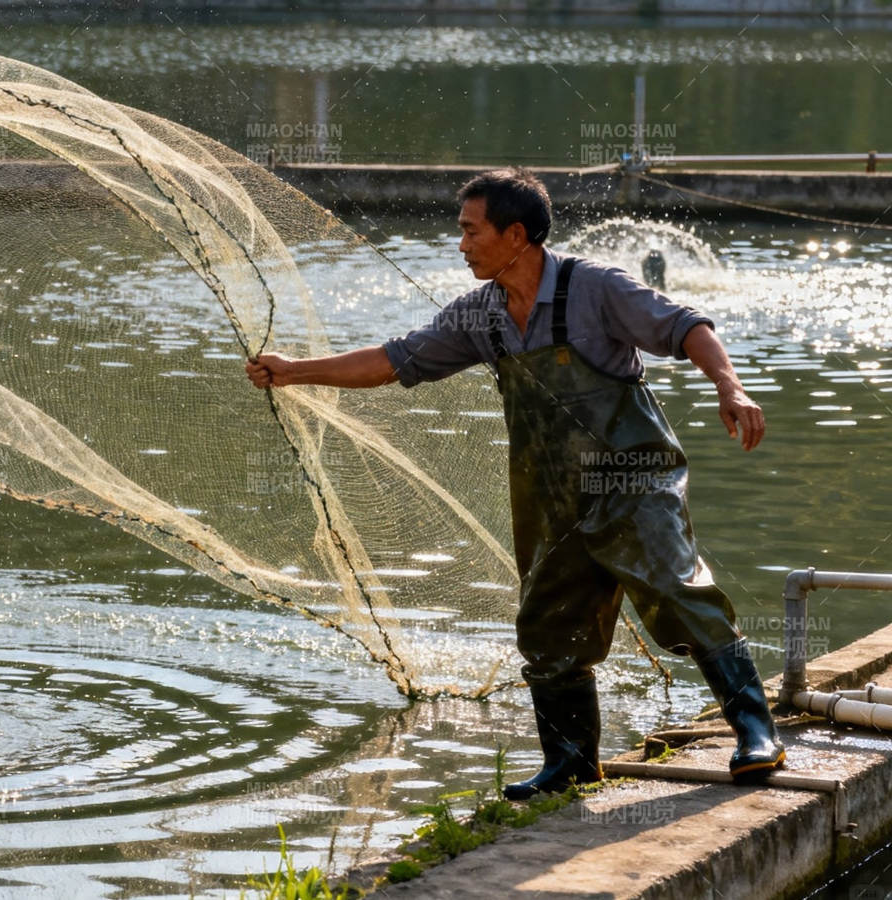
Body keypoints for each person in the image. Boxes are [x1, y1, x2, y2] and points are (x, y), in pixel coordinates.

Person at [245, 167, 783, 799]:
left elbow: (687, 326)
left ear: (517, 235)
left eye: (472, 231)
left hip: (634, 477)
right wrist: (294, 371)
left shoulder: (594, 287)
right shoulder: (481, 314)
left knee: (676, 588)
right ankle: (571, 764)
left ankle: (756, 731)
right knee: (548, 625)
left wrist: (730, 387)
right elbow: (393, 360)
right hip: (552, 496)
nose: (462, 245)